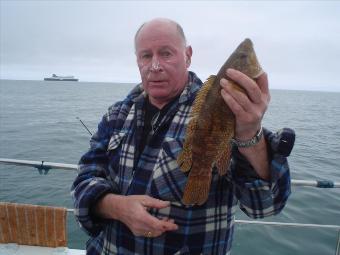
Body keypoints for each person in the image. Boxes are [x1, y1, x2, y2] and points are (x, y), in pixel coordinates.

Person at [71, 18, 294, 255]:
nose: (154, 66)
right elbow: (84, 178)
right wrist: (116, 207)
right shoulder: (116, 114)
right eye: (146, 56)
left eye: (166, 53)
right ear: (137, 60)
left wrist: (250, 134)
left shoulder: (230, 110)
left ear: (187, 55)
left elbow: (265, 206)